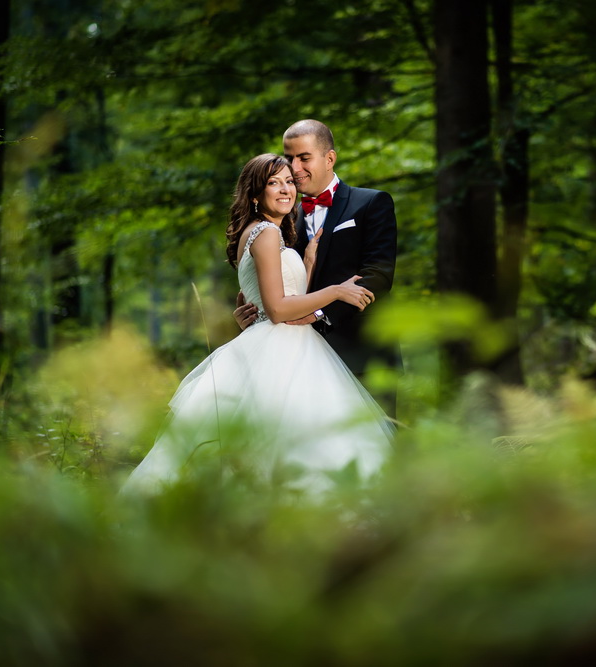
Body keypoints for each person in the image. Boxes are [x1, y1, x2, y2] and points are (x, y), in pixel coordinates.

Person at [121, 154, 393, 496]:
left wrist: (308, 263)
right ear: (254, 194)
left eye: (289, 182)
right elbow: (278, 310)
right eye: (273, 183)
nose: (286, 189)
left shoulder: (265, 233)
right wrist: (336, 291)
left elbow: (284, 297)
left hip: (285, 340)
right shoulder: (265, 234)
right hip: (281, 345)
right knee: (296, 440)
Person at [234, 120, 399, 413]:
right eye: (289, 158)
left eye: (304, 157)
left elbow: (378, 275)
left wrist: (320, 313)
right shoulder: (282, 216)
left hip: (361, 354)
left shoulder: (371, 203)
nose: (295, 168)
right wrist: (254, 314)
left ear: (329, 158)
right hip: (296, 360)